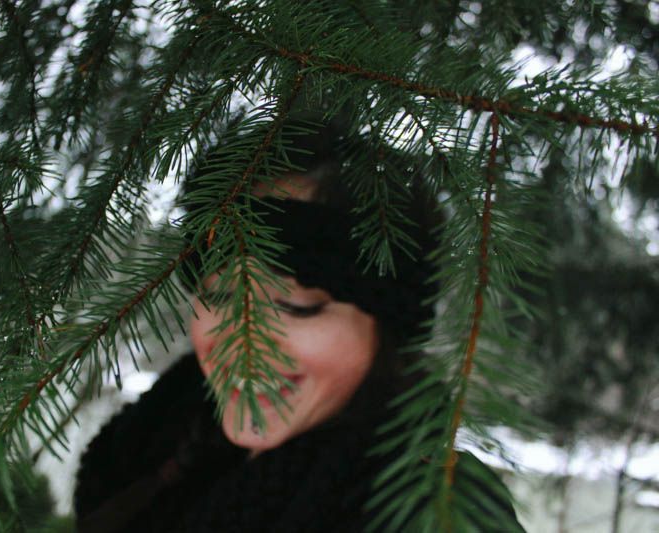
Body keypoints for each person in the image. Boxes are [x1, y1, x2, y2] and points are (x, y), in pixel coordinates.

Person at [73, 117, 523, 532]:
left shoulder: (435, 511)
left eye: (296, 306)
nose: (243, 340)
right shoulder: (151, 446)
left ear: (388, 328)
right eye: (221, 295)